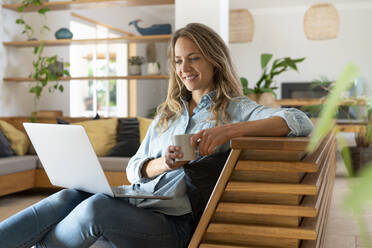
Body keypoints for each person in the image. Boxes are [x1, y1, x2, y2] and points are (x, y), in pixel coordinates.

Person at [0, 23, 313, 248]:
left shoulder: (235, 108)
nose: (184, 68)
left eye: (194, 58)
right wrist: (162, 163)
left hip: (172, 224)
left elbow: (298, 119)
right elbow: (134, 166)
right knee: (72, 195)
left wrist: (227, 131)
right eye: (178, 60)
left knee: (96, 209)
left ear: (214, 60)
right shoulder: (168, 114)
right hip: (138, 201)